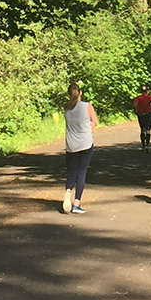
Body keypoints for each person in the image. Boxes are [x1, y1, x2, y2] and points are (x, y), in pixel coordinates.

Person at [62, 82, 97, 214]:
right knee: (82, 173)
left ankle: (68, 191)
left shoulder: (66, 109)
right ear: (80, 93)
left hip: (71, 145)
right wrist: (89, 126)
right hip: (85, 144)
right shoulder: (87, 106)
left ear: (69, 94)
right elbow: (95, 121)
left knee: (72, 172)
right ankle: (76, 203)